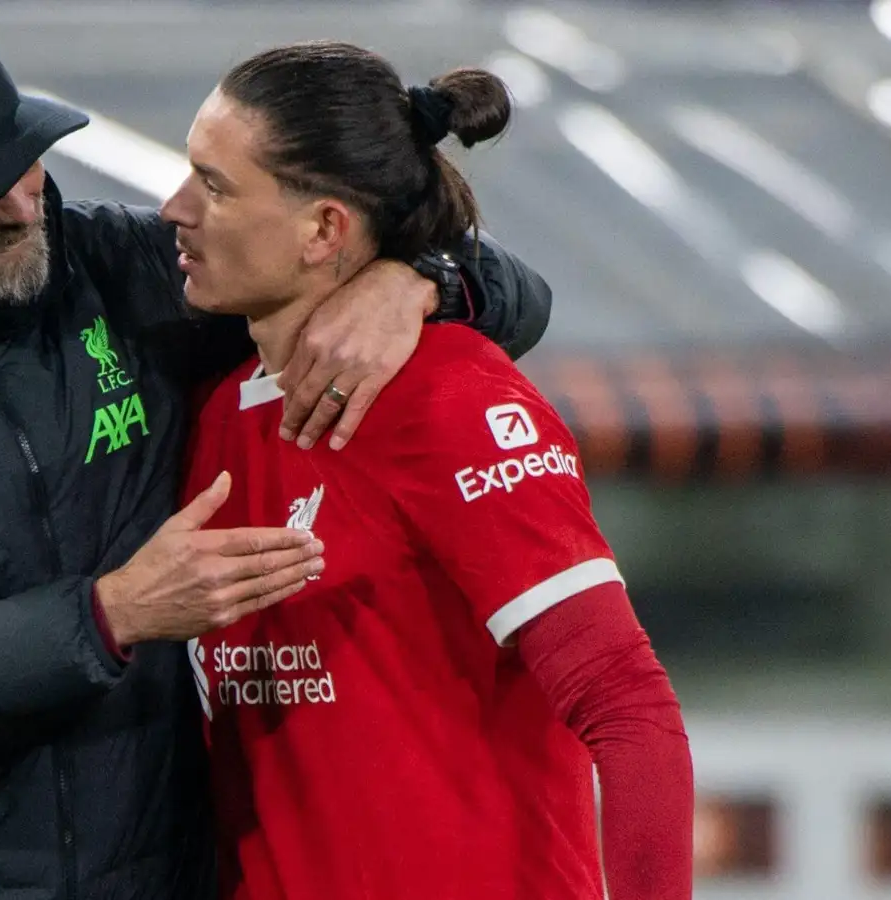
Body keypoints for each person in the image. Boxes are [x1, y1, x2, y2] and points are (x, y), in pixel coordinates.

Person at [0, 11, 553, 900]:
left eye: (21, 159)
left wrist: (419, 285)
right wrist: (109, 615)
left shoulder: (118, 271)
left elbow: (519, 294)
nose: (21, 208)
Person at [166, 42, 694, 900]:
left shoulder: (453, 398)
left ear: (324, 229)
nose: (172, 208)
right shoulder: (212, 415)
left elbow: (630, 714)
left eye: (216, 186)